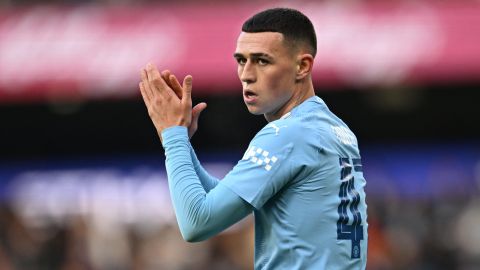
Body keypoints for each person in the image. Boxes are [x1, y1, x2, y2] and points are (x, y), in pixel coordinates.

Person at [139, 7, 368, 269]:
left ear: (302, 66)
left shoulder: (288, 134)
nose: (246, 74)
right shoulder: (335, 129)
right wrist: (179, 141)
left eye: (262, 60)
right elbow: (223, 201)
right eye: (241, 60)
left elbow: (196, 223)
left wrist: (173, 136)